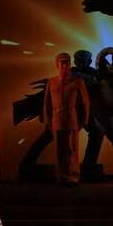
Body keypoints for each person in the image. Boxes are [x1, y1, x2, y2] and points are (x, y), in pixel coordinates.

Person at [42, 52, 90, 186]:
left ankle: (73, 177)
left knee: (72, 149)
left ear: (70, 64)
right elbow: (47, 103)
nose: (64, 66)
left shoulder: (78, 81)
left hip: (71, 118)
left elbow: (86, 102)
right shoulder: (51, 82)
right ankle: (61, 177)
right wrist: (47, 121)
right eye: (61, 63)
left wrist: (85, 120)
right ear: (57, 65)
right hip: (56, 119)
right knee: (59, 150)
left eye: (67, 63)